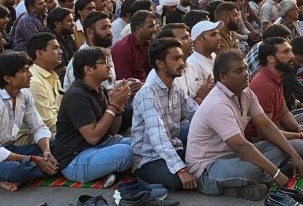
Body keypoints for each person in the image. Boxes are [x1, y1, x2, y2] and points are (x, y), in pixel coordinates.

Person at [184, 51, 303, 206]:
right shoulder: (217, 103)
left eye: (246, 68)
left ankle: (249, 184)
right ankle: (245, 183)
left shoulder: (245, 92)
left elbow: (266, 126)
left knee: (287, 147)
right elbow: (240, 146)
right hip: (208, 167)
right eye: (239, 71)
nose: (246, 74)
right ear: (223, 77)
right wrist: (276, 174)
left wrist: (293, 155)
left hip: (234, 156)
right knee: (255, 168)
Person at [53, 47, 134, 184]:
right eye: (103, 62)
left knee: (141, 142)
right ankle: (112, 170)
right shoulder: (76, 95)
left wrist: (119, 107)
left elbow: (112, 131)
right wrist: (113, 105)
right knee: (126, 153)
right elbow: (92, 137)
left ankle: (109, 171)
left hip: (99, 146)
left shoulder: (99, 89)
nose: (109, 66)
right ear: (88, 69)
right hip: (76, 158)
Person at [0, 52, 59, 191]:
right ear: (7, 78)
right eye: (24, 71)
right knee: (18, 171)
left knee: (59, 146)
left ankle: (7, 176)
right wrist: (34, 159)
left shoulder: (24, 95)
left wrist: (46, 152)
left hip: (9, 149)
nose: (30, 74)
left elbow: (38, 127)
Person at [131, 38, 198, 191]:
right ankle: (140, 175)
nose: (182, 63)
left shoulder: (175, 88)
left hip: (174, 147)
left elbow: (196, 114)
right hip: (149, 157)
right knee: (178, 180)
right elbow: (158, 136)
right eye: (176, 58)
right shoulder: (147, 93)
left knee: (202, 163)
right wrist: (181, 170)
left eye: (181, 57)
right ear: (160, 63)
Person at [246, 38, 303, 161]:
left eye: (291, 51)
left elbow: (284, 111)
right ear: (271, 58)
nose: (291, 56)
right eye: (286, 52)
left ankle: (293, 143)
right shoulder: (263, 84)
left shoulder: (277, 75)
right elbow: (264, 133)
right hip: (259, 138)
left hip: (276, 126)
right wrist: (301, 135)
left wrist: (299, 129)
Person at [14, 33, 63, 145]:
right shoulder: (33, 81)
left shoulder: (53, 76)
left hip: (54, 129)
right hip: (31, 139)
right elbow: (47, 123)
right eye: (55, 48)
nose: (61, 52)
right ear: (39, 53)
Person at [177, 21, 221, 104]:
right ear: (200, 39)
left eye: (218, 34)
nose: (219, 38)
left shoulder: (213, 55)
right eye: (213, 35)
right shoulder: (193, 62)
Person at [111, 10, 158, 82]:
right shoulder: (123, 49)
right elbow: (125, 81)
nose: (155, 29)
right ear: (138, 29)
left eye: (155, 25)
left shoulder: (149, 43)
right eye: (151, 26)